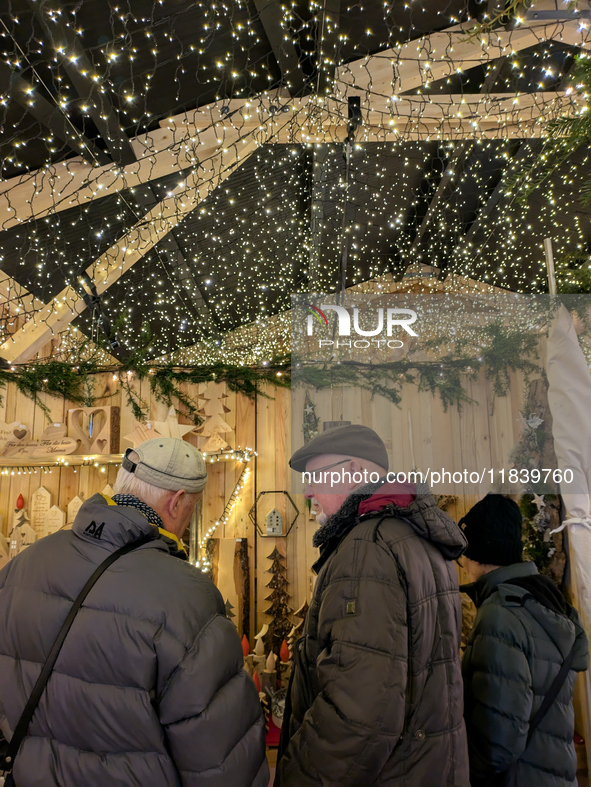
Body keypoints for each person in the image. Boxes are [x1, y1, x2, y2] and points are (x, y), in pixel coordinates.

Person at [0, 437, 268, 787]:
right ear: (176, 503)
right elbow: (218, 756)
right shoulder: (187, 596)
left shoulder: (23, 565)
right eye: (192, 510)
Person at [275, 423, 470, 787]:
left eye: (316, 476)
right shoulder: (416, 536)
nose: (307, 491)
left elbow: (359, 713)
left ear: (355, 471)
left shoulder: (368, 547)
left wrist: (295, 778)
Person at [460, 494, 589, 787]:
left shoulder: (500, 615)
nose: (462, 561)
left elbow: (497, 742)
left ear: (478, 550)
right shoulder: (547, 601)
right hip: (555, 773)